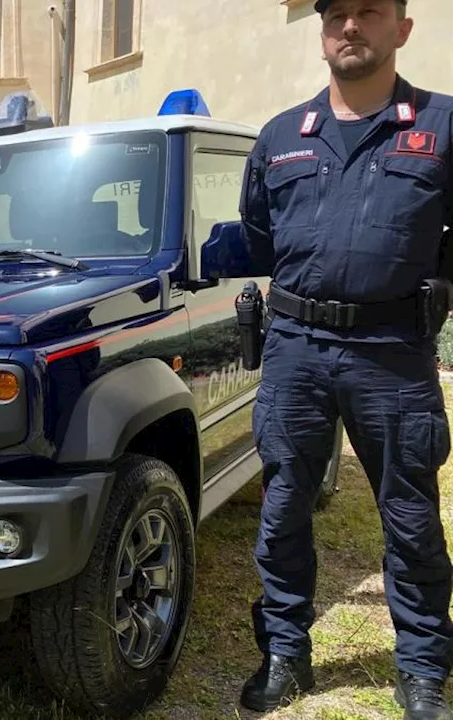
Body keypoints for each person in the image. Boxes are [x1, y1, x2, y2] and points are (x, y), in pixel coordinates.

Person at [238, 1, 453, 716]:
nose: (351, 27)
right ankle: (286, 655)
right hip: (296, 349)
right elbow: (260, 236)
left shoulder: (442, 126)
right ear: (324, 31)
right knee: (283, 509)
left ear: (402, 28)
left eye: (370, 11)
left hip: (392, 350)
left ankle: (422, 669)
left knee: (410, 516)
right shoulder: (279, 136)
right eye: (338, 15)